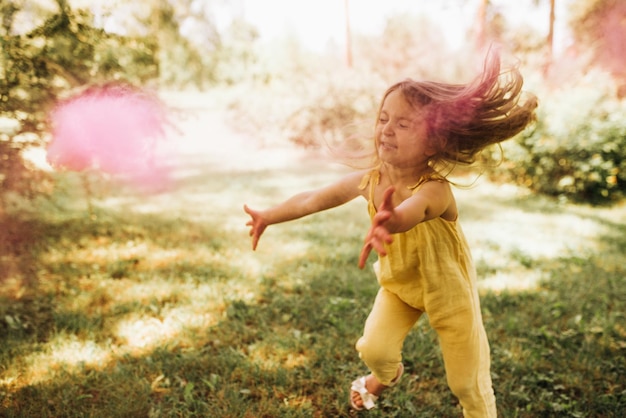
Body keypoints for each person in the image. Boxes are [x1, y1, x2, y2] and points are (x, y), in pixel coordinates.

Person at [244, 50, 537, 416]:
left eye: (403, 124)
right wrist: (268, 215)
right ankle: (384, 377)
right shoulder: (370, 181)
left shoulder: (436, 189)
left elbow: (415, 211)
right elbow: (312, 199)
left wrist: (391, 220)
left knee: (466, 382)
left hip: (450, 292)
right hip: (400, 285)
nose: (386, 129)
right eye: (383, 119)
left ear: (433, 142)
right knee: (374, 349)